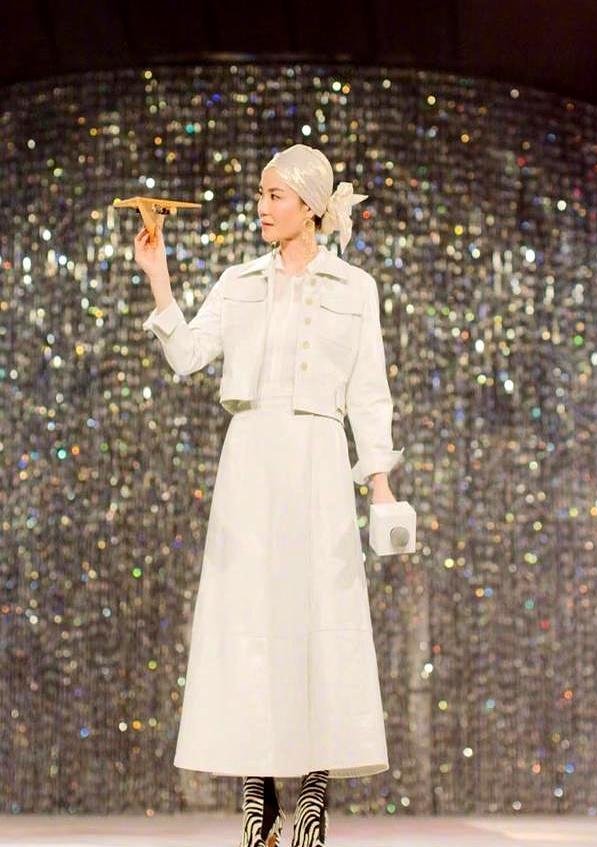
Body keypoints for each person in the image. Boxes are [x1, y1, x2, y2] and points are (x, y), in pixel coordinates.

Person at [134, 144, 404, 847]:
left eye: (274, 195)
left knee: (316, 619)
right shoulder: (239, 282)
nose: (261, 207)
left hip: (318, 458)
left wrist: (380, 487)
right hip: (251, 460)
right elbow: (187, 355)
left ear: (310, 206)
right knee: (250, 621)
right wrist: (160, 280)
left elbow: (369, 393)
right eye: (260, 194)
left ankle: (312, 794)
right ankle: (258, 797)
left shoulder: (355, 288)